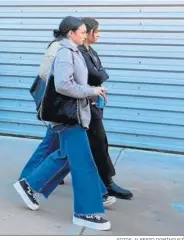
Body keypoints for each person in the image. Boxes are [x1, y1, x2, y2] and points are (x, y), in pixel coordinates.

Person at [13, 16, 112, 231]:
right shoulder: (65, 53)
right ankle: (85, 213)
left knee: (65, 156)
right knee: (84, 163)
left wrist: (91, 94)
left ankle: (28, 185)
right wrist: (91, 91)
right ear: (70, 33)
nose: (86, 35)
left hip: (74, 114)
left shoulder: (74, 51)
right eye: (83, 31)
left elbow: (75, 83)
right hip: (68, 116)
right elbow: (63, 85)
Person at [79, 17, 133, 199]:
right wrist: (98, 77)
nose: (99, 34)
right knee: (98, 143)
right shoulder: (78, 53)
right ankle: (106, 183)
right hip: (85, 105)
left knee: (86, 145)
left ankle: (38, 179)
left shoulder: (90, 51)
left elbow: (101, 74)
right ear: (86, 33)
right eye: (97, 31)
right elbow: (95, 75)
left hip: (94, 103)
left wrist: (99, 77)